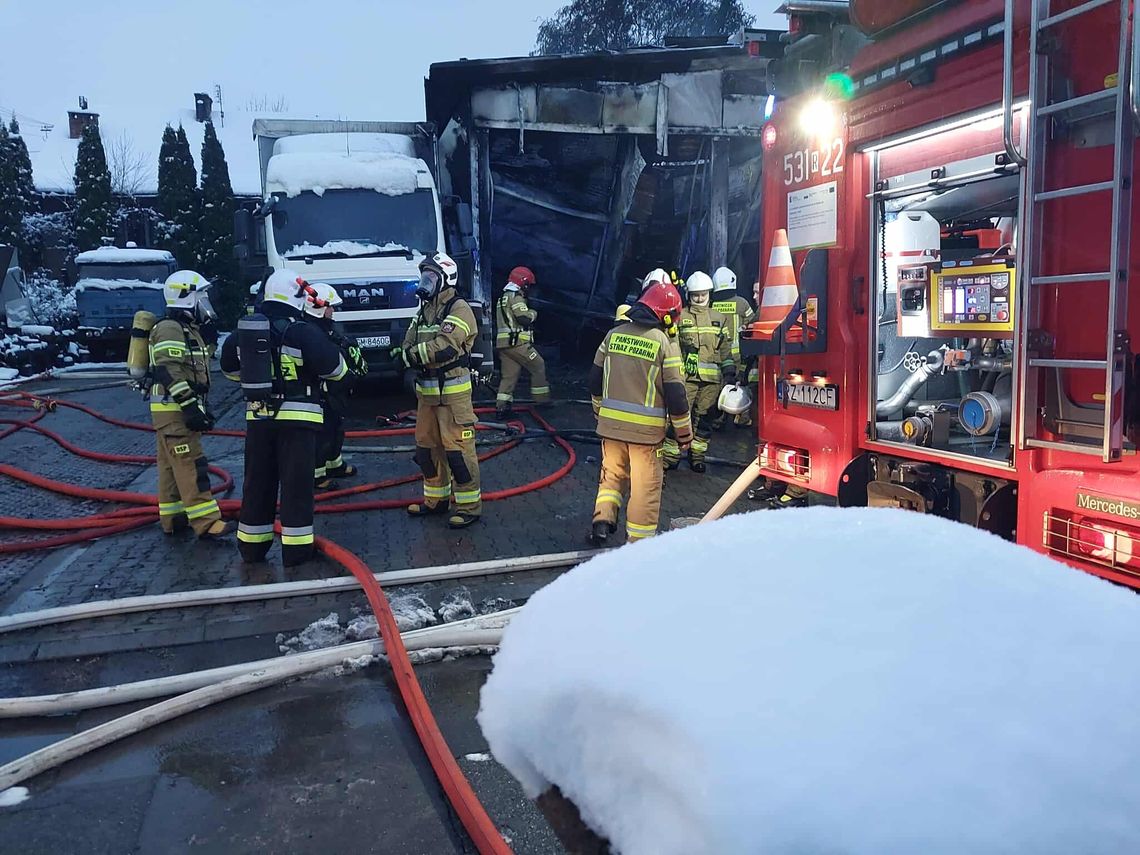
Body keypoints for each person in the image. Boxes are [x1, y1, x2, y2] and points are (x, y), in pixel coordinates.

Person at [220, 269, 348, 566]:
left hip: (259, 420)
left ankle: (252, 548)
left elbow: (229, 369)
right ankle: (297, 552)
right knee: (296, 488)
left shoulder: (245, 332)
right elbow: (336, 370)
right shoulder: (301, 331)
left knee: (257, 484)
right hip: (298, 423)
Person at [589, 281, 692, 545]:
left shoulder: (614, 335)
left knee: (611, 474)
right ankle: (639, 544)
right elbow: (677, 396)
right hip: (646, 435)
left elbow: (594, 377)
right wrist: (684, 435)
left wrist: (599, 410)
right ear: (666, 315)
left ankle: (602, 520)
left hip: (610, 428)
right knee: (644, 489)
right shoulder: (663, 343)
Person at [392, 252, 483, 529]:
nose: (426, 282)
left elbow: (445, 347)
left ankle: (469, 506)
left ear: (446, 279)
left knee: (458, 452)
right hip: (427, 395)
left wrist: (410, 357)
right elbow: (407, 342)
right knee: (427, 451)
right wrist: (406, 355)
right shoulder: (423, 312)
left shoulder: (459, 309)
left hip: (453, 397)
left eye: (431, 277)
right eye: (425, 276)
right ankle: (436, 500)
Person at [148, 270, 235, 540]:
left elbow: (192, 364)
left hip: (168, 411)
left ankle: (173, 518)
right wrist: (189, 406)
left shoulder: (185, 330)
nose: (205, 300)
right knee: (191, 465)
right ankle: (206, 522)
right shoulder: (171, 328)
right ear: (185, 297)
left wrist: (208, 343)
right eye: (201, 295)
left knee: (170, 468)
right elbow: (168, 369)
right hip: (175, 410)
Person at [660, 271, 735, 473]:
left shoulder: (720, 318)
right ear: (689, 295)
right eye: (696, 295)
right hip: (687, 379)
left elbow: (726, 348)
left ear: (709, 293)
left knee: (705, 420)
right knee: (679, 417)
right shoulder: (680, 316)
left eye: (703, 294)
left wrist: (730, 372)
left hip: (712, 381)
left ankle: (697, 456)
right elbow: (671, 344)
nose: (700, 299)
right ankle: (671, 456)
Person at [304, 283, 368, 489]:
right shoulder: (310, 331)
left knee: (336, 428)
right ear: (320, 307)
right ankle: (317, 476)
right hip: (320, 392)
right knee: (324, 432)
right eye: (331, 307)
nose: (333, 312)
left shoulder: (323, 328)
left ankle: (334, 465)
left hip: (332, 392)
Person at [494, 266, 549, 418]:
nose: (529, 288)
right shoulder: (516, 297)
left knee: (509, 377)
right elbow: (522, 318)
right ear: (523, 283)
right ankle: (542, 402)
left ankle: (502, 409)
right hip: (518, 345)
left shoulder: (503, 297)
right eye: (528, 285)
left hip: (505, 346)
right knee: (538, 365)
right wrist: (533, 313)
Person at [710, 266, 757, 428]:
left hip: (718, 355)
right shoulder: (742, 303)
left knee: (719, 386)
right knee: (740, 385)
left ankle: (718, 417)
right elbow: (752, 324)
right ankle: (742, 415)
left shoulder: (712, 304)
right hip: (738, 355)